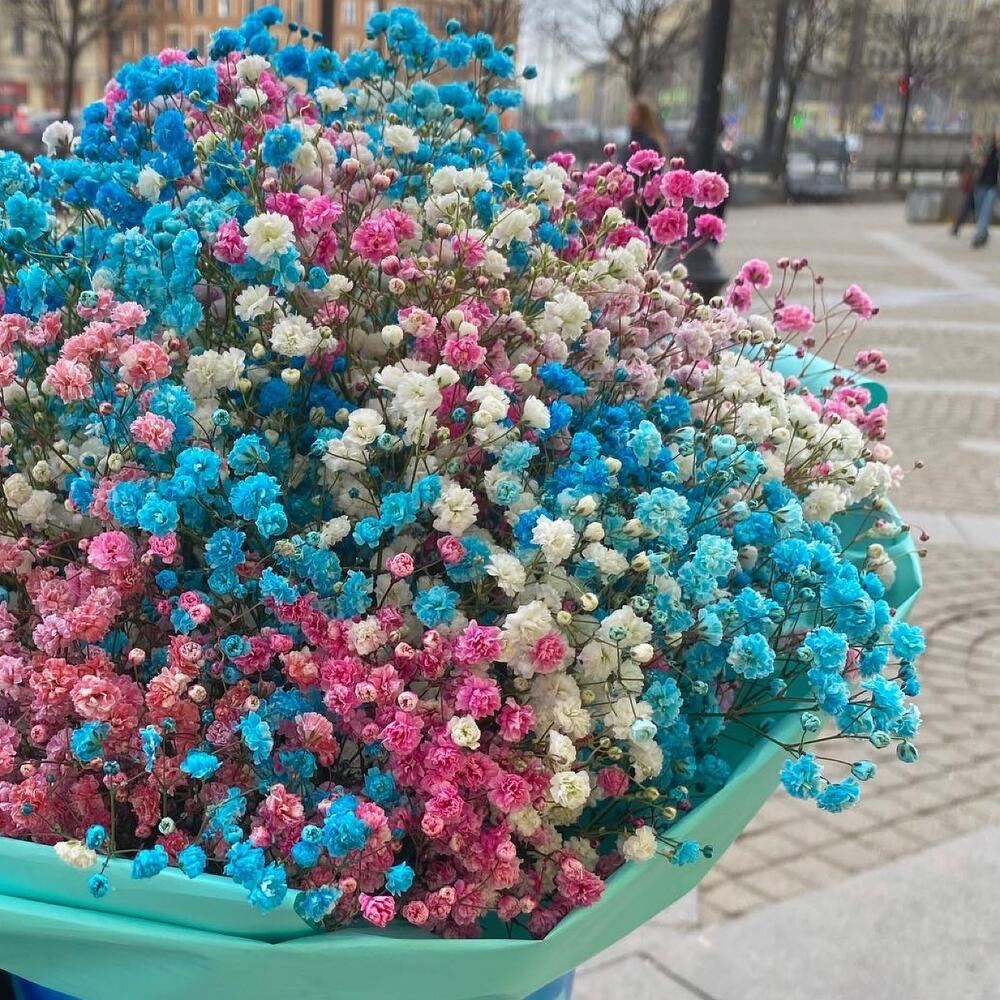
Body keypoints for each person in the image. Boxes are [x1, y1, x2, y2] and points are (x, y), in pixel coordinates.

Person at [971, 128, 999, 248]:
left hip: (993, 186)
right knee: (979, 212)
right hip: (980, 184)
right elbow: (974, 159)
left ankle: (979, 236)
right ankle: (984, 234)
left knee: (985, 211)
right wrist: (978, 152)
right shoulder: (987, 146)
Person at [952, 133, 984, 237]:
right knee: (968, 206)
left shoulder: (982, 153)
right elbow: (961, 167)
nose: (976, 144)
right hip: (972, 184)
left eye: (978, 142)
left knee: (975, 207)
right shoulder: (969, 153)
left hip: (980, 183)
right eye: (975, 141)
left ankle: (981, 230)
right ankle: (957, 227)